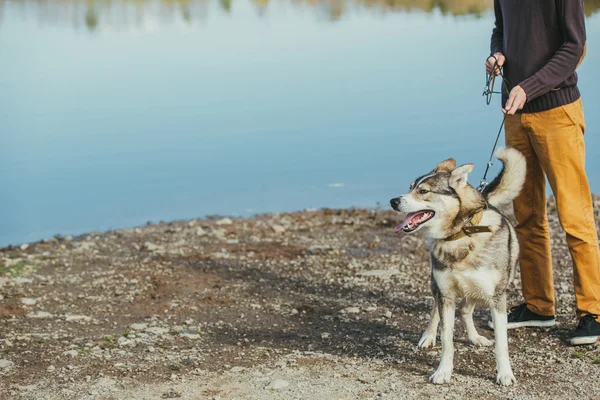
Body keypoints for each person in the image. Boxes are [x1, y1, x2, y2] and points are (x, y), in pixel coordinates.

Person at [485, 0, 600, 345]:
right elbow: (500, 30)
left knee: (574, 216)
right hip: (515, 114)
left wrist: (529, 86)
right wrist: (497, 55)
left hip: (557, 112)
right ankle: (538, 306)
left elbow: (574, 46)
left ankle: (592, 312)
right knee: (526, 214)